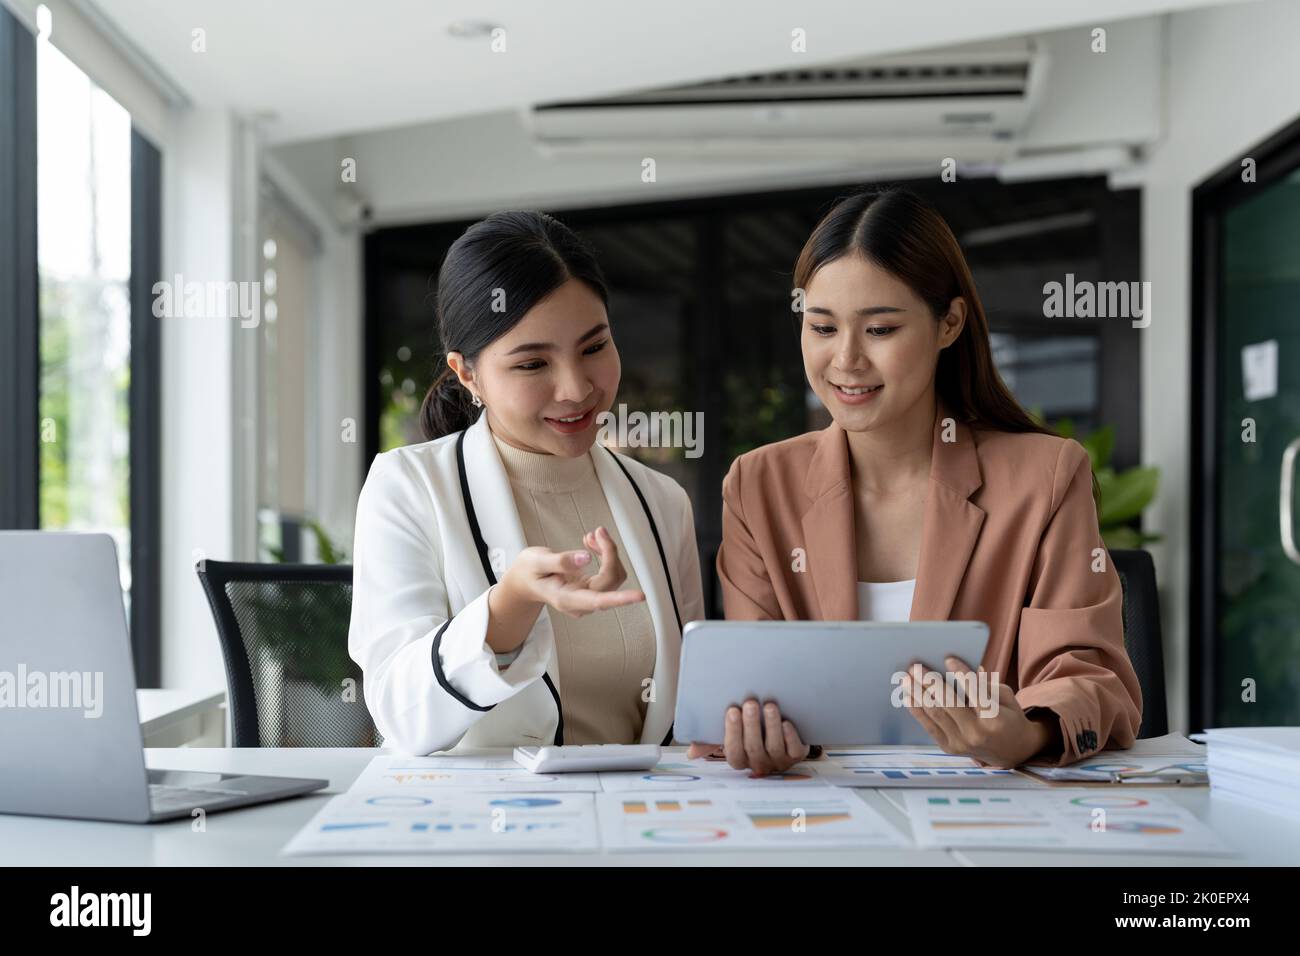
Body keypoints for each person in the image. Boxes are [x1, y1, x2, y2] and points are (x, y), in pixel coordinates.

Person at [693, 187, 1142, 775]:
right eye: (822, 328)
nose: (846, 360)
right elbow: (750, 691)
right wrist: (752, 736)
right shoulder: (758, 485)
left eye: (879, 330)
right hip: (821, 820)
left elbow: (1091, 679)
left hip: (989, 823)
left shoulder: (1046, 477)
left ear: (949, 323)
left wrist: (1027, 732)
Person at [349, 211, 705, 754]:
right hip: (484, 824)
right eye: (533, 364)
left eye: (593, 348)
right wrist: (510, 605)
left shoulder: (662, 502)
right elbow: (400, 715)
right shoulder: (407, 488)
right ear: (467, 374)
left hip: (640, 817)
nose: (576, 388)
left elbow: (690, 711)